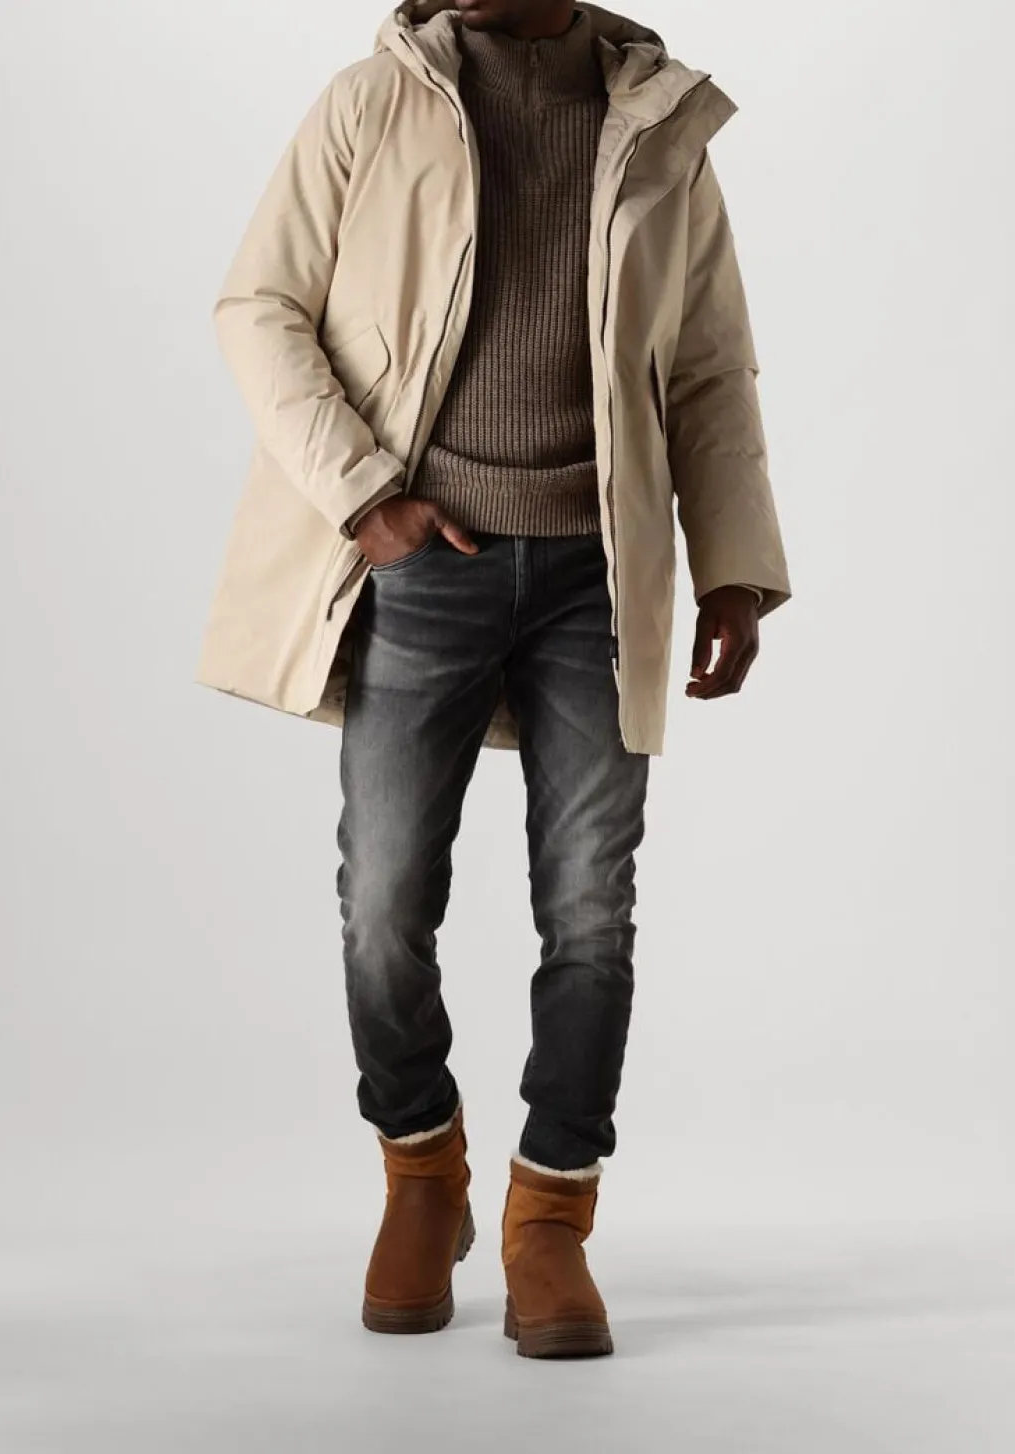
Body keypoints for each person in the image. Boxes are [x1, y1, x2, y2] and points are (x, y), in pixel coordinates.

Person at [197, 0, 791, 1359]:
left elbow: (708, 365)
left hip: (598, 572)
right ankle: (423, 1168)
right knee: (383, 904)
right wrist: (365, 494)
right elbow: (258, 306)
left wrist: (734, 567)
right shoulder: (373, 101)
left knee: (589, 913)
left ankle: (550, 1217)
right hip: (424, 566)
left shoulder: (658, 123)